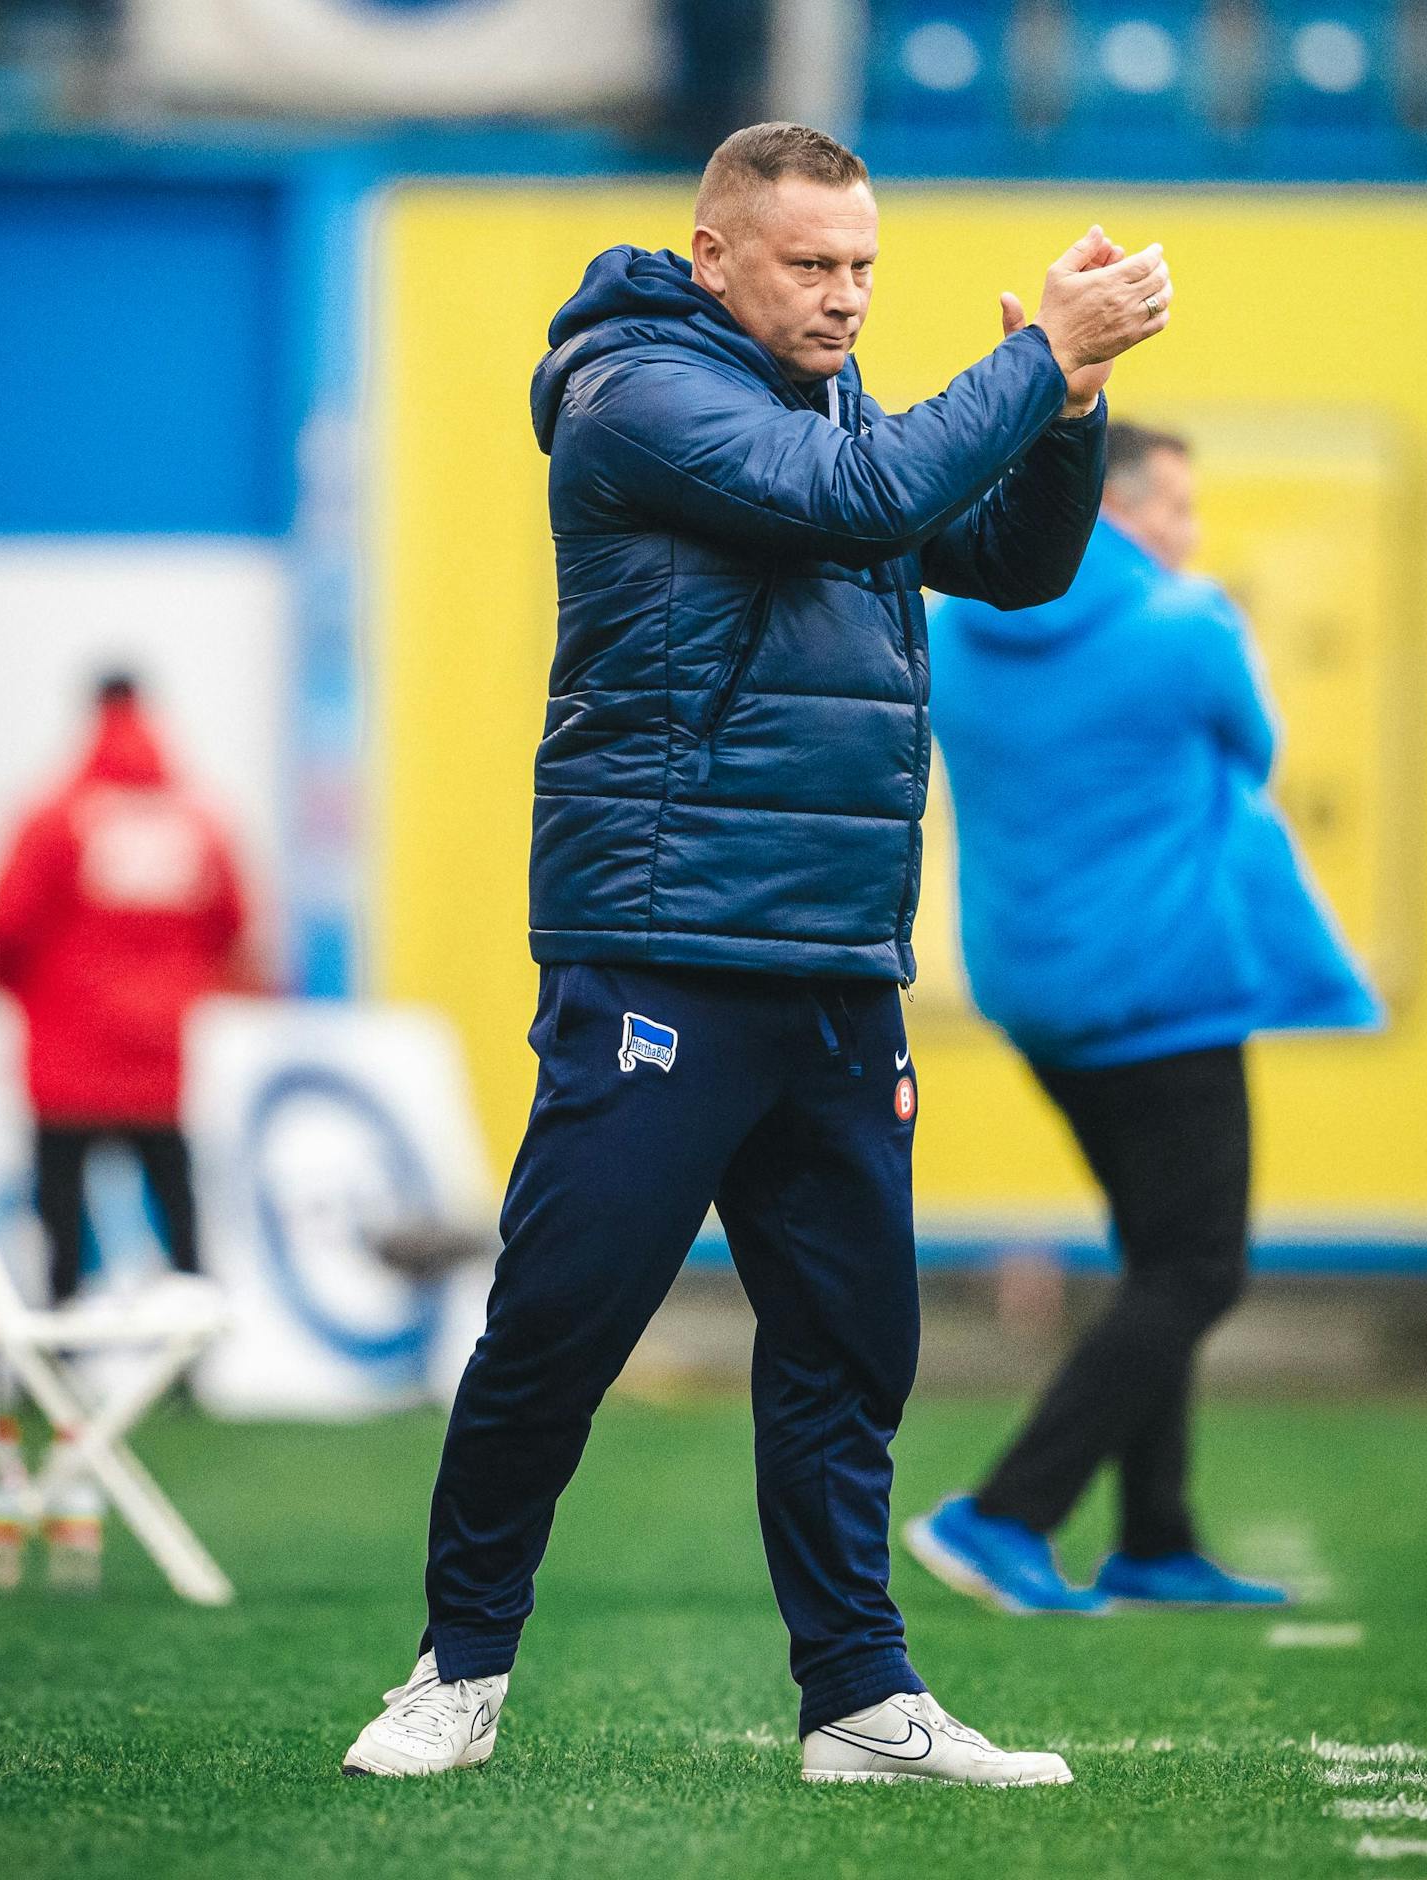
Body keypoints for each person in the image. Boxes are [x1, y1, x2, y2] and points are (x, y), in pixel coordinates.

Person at [342, 121, 1173, 1786]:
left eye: (864, 265)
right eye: (812, 264)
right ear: (716, 256)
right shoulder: (638, 394)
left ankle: (860, 1700)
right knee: (562, 1327)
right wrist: (1032, 360)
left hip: (837, 958)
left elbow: (1014, 561)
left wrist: (1072, 405)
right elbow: (864, 497)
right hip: (664, 948)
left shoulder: (837, 412)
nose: (847, 296)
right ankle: (458, 1669)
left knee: (852, 1348)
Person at [909, 422, 1379, 1614]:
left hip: (1033, 992)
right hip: (1166, 990)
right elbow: (1254, 748)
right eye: (1175, 505)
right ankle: (1004, 1513)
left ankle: (1156, 1538)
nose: (1189, 530)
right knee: (1198, 1267)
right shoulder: (1189, 623)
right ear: (1111, 506)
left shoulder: (954, 626)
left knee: (1155, 1257)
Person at [0, 673, 250, 1306]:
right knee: (177, 1212)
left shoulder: (55, 818)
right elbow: (233, 922)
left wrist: (28, 992)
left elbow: (6, 925)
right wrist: (175, 987)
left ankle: (60, 1336)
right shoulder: (197, 821)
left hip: (66, 1055)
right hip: (158, 1057)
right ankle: (195, 1337)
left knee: (62, 1217)